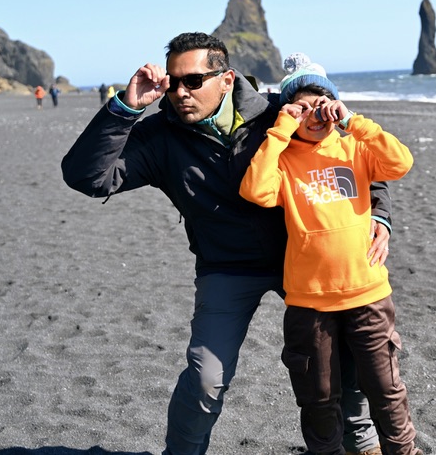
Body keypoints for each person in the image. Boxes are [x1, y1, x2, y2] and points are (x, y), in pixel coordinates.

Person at [61, 33, 392, 455]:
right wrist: (125, 110)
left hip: (303, 260)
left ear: (226, 79)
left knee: (347, 352)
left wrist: (379, 214)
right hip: (226, 266)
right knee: (205, 376)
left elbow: (351, 154)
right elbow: (87, 177)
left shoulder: (279, 112)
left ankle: (360, 442)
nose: (180, 92)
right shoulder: (162, 136)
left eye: (194, 80)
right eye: (174, 81)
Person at [240, 54, 423, 455]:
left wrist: (353, 119)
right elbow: (255, 190)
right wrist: (282, 128)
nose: (314, 115)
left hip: (368, 293)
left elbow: (401, 162)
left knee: (386, 391)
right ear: (289, 111)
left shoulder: (353, 147)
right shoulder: (284, 160)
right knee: (319, 398)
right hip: (309, 301)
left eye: (322, 106)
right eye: (303, 108)